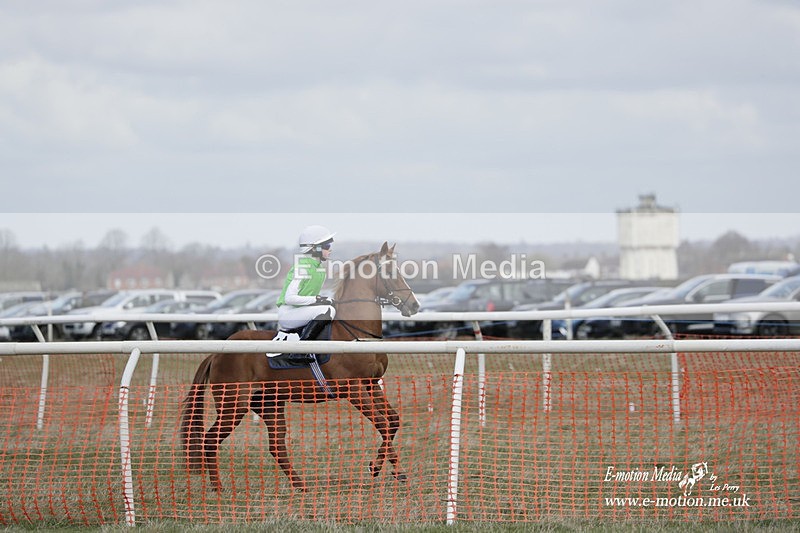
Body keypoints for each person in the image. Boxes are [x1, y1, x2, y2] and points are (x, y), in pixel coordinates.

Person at [276, 225, 336, 348]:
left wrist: (324, 300)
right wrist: (317, 300)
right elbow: (289, 298)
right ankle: (304, 348)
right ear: (315, 248)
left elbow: (309, 298)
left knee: (333, 307)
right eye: (327, 246)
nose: (330, 249)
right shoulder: (303, 268)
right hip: (288, 313)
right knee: (326, 310)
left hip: (299, 311)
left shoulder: (319, 269)